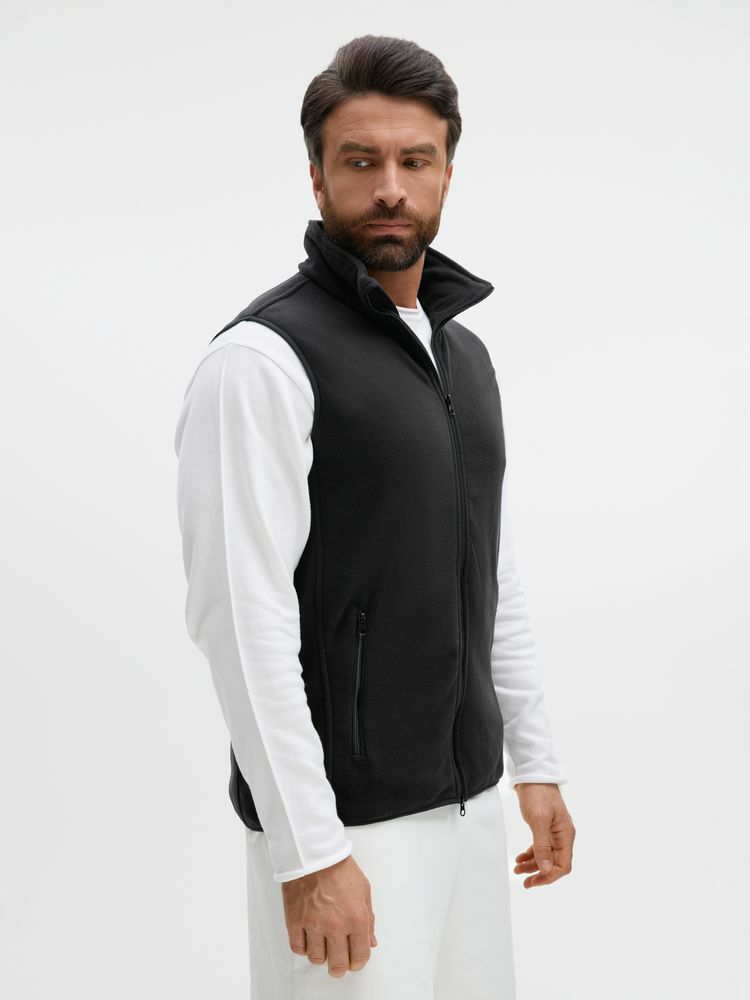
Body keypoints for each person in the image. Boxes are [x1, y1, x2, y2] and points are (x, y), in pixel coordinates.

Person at [174, 33, 576, 999]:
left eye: (414, 161)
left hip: (468, 805)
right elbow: (240, 616)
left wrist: (534, 761)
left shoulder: (461, 356)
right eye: (361, 162)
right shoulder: (261, 362)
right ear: (317, 177)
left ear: (447, 174)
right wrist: (310, 852)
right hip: (347, 828)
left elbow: (490, 569)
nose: (391, 188)